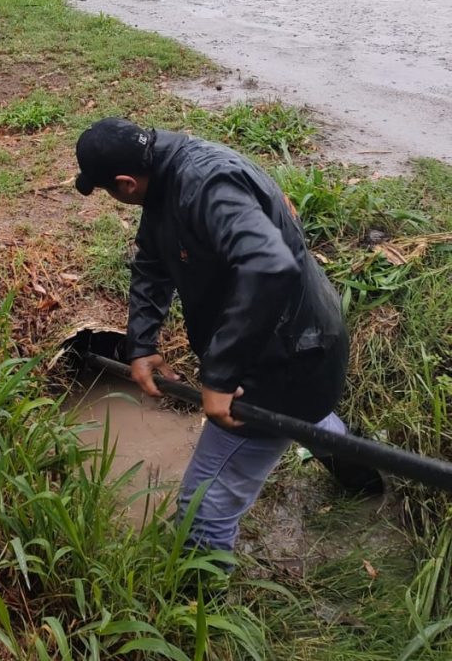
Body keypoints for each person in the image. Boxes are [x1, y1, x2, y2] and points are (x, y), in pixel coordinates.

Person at [74, 117, 382, 561]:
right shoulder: (164, 174)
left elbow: (269, 266)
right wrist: (141, 344)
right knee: (308, 416)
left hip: (285, 359)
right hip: (300, 342)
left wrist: (219, 376)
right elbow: (152, 263)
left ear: (124, 183)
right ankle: (365, 480)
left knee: (203, 507)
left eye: (105, 190)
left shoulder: (206, 186)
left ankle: (196, 610)